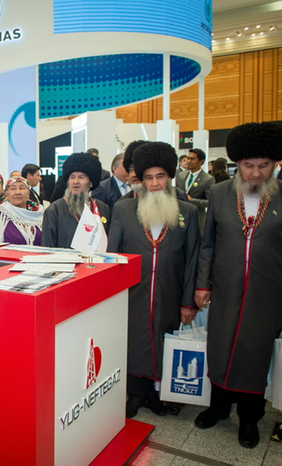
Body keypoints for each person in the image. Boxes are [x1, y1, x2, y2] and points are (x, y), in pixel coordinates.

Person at [194, 122, 282, 449]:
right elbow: (208, 244)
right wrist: (202, 284)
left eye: (263, 166)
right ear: (237, 163)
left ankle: (249, 417)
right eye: (248, 166)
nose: (255, 174)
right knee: (220, 348)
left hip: (269, 294)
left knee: (254, 354)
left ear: (275, 163)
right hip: (226, 290)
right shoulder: (219, 193)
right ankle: (218, 407)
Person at [108, 142, 200, 419]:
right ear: (141, 180)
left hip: (170, 293)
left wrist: (188, 303)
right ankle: (136, 393)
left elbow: (193, 259)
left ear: (169, 176)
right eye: (148, 177)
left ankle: (155, 394)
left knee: (162, 341)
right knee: (135, 343)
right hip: (133, 293)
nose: (155, 183)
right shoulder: (124, 209)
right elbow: (113, 255)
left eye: (160, 176)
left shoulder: (187, 212)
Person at [42, 152, 110, 248]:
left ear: (91, 183)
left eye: (81, 177)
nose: (75, 181)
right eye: (72, 177)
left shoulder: (102, 208)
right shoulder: (54, 210)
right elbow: (47, 248)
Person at [0, 176, 43, 245]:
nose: (18, 192)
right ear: (7, 194)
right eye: (13, 189)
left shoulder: (40, 213)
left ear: (28, 193)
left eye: (22, 188)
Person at [176, 148, 215, 235]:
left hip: (197, 218)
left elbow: (210, 202)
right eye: (188, 158)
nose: (189, 161)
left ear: (201, 161)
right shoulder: (181, 175)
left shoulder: (208, 179)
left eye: (192, 159)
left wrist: (191, 200)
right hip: (180, 217)